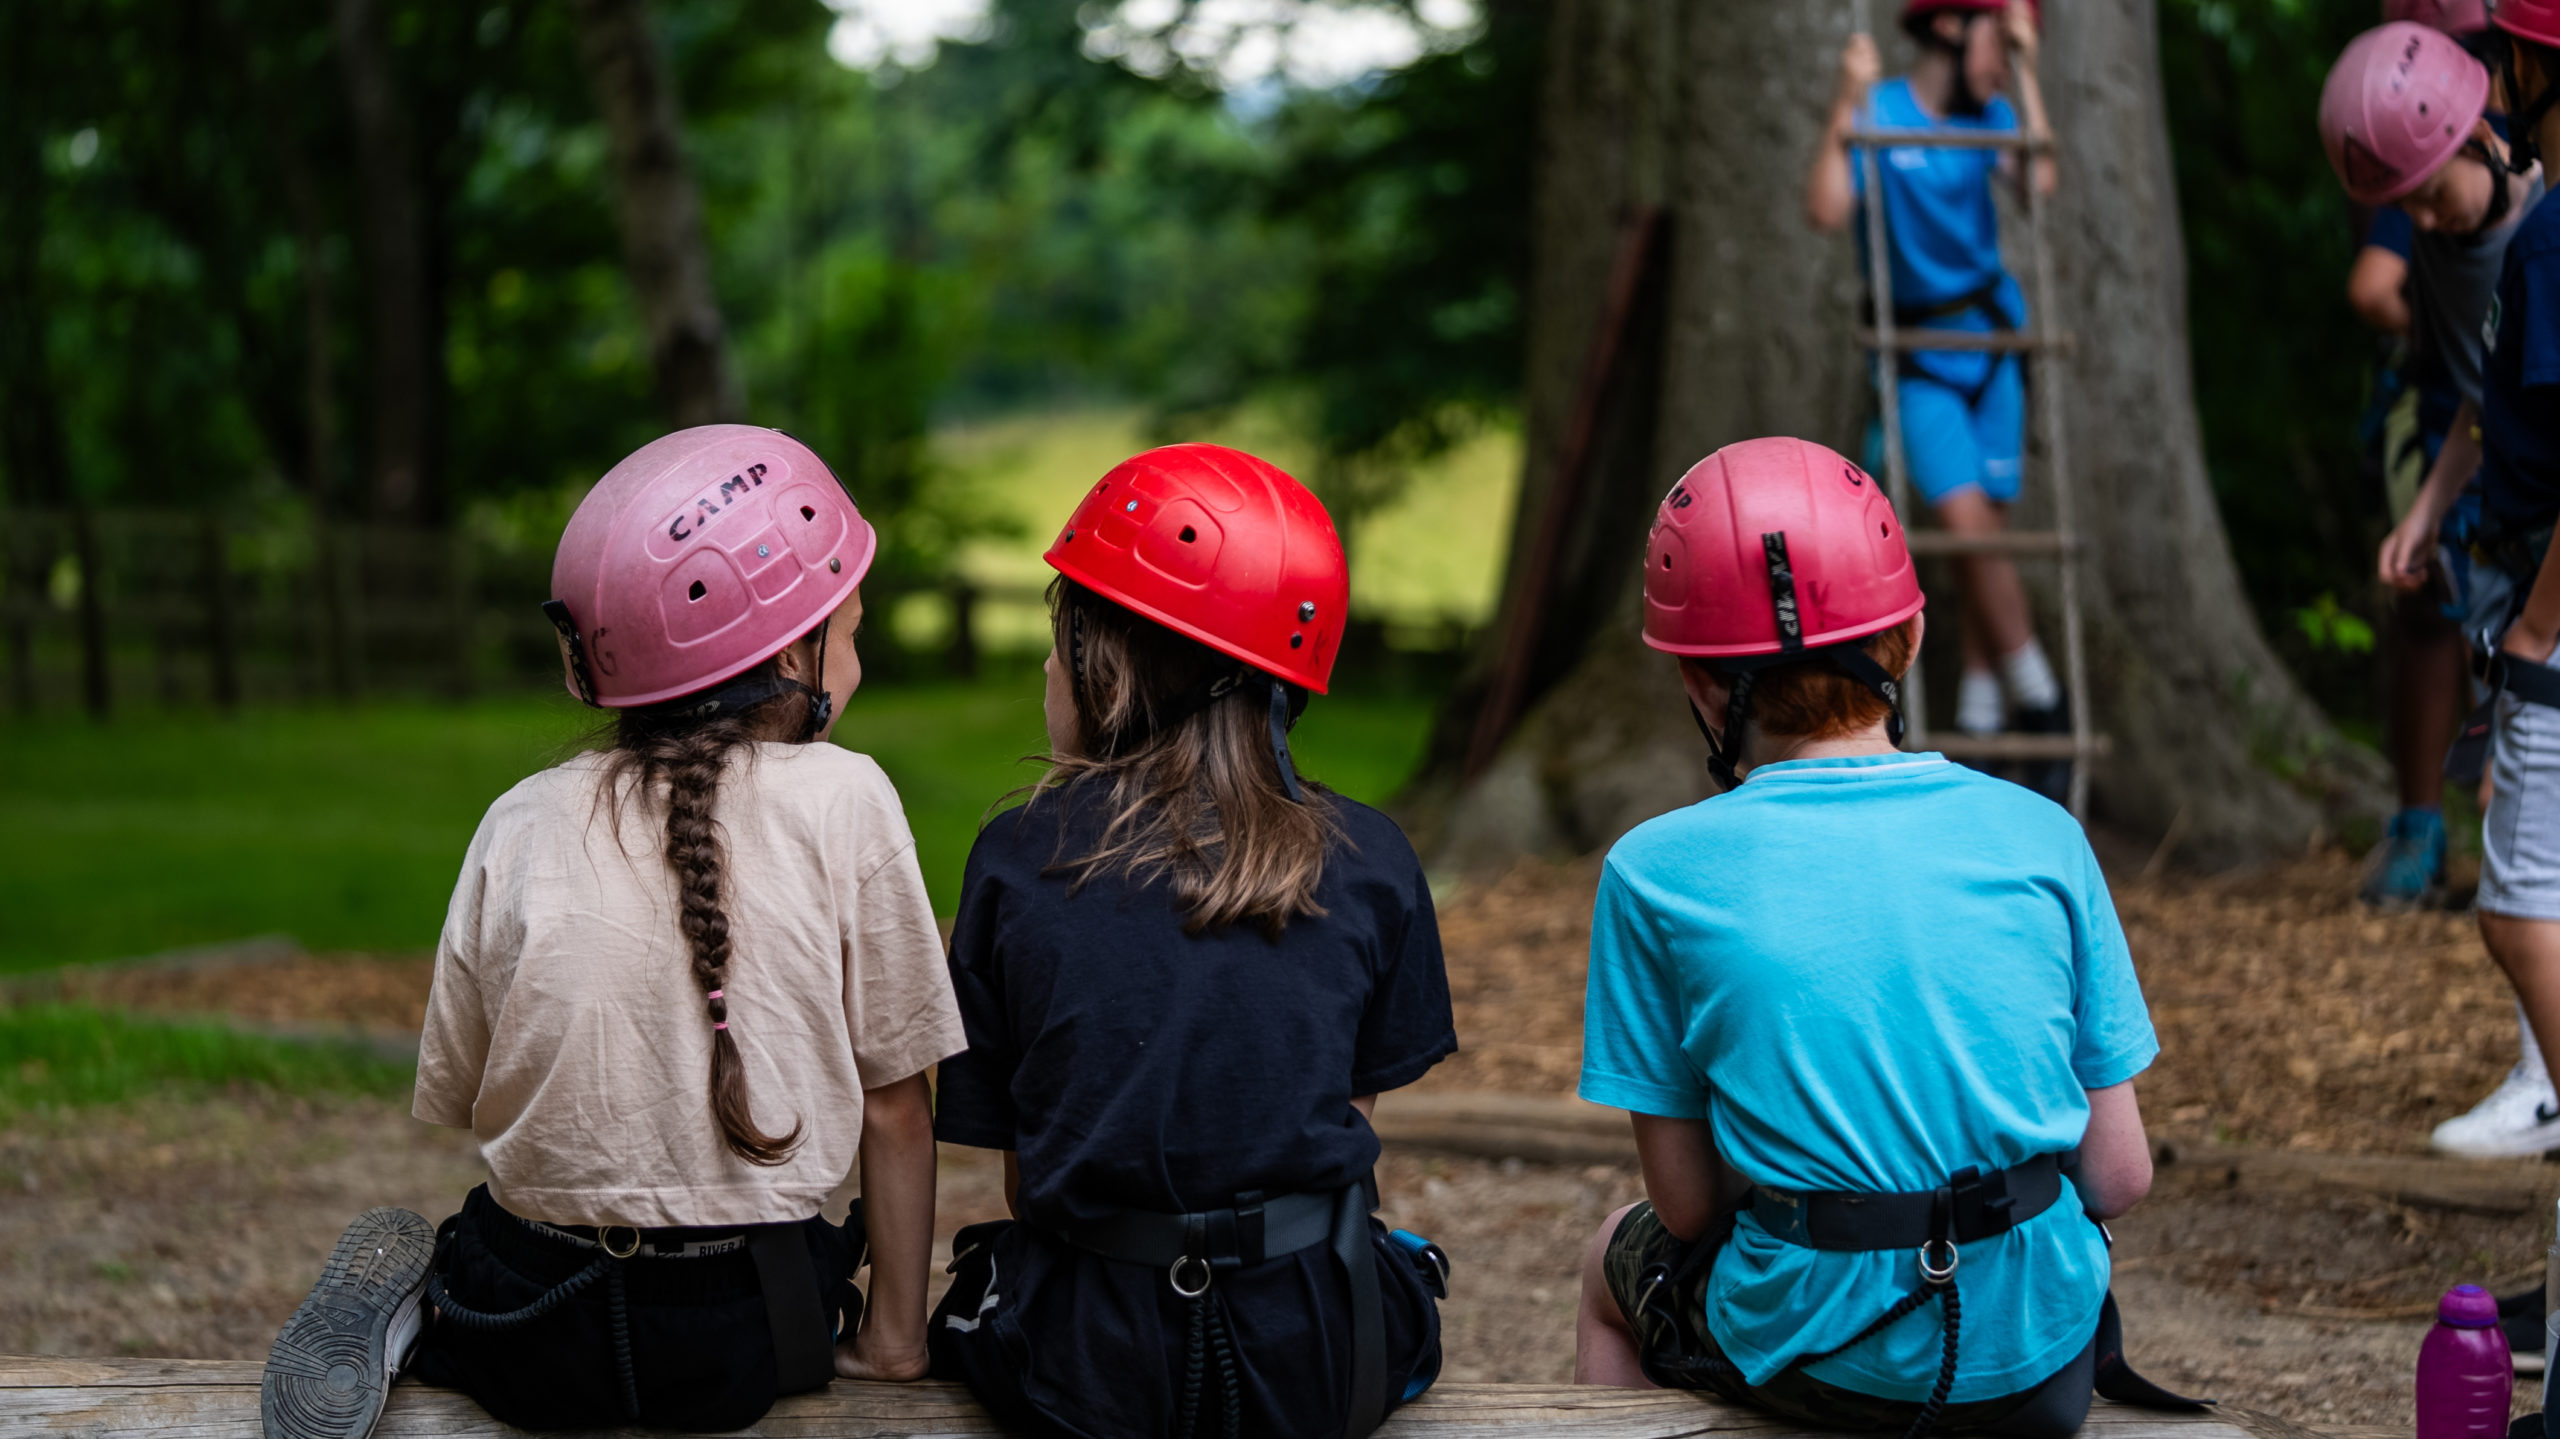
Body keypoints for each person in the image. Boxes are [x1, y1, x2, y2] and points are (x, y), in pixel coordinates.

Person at [258, 427, 963, 1439]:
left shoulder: (520, 817)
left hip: (531, 1325)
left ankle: (424, 1315)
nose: (853, 658)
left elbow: (463, 1087)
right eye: (848, 632)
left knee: (473, 1235)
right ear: (788, 650)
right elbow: (897, 1108)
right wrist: (895, 1342)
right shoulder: (849, 797)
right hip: (754, 1333)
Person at [1573, 438, 2196, 1438]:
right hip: (2035, 1360)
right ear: (1909, 633)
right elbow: (2119, 1177)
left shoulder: (1652, 871)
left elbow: (1685, 1209)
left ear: (1697, 682)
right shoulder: (2041, 832)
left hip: (1821, 1360)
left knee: (1614, 1259)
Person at [927, 443, 1457, 1439]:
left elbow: (1031, 1175)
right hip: (1315, 1350)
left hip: (1087, 1361)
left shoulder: (1017, 857)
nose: (1047, 665)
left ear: (1110, 663)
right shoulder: (1372, 857)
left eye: (1062, 638)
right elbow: (1334, 1137)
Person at [2330, 18, 2560, 1156]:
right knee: (2515, 834)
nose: (2420, 224)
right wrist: (2426, 510)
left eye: (2429, 196)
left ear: (2486, 127)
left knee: (2523, 886)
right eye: (2403, 208)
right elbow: (2486, 388)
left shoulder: (2539, 233)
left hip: (2542, 578)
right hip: (2505, 555)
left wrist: (2536, 626)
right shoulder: (2472, 240)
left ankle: (2543, 1082)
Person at [1804, 0, 2068, 794]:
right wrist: (1844, 100)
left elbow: (2040, 182)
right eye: (2000, 42)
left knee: (1986, 539)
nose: (2005, 63)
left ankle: (1981, 725)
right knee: (1966, 530)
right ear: (1951, 27)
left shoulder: (1993, 114)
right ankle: (2041, 700)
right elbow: (1826, 208)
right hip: (1919, 355)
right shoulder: (1881, 111)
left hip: (1994, 347)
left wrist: (2027, 71)